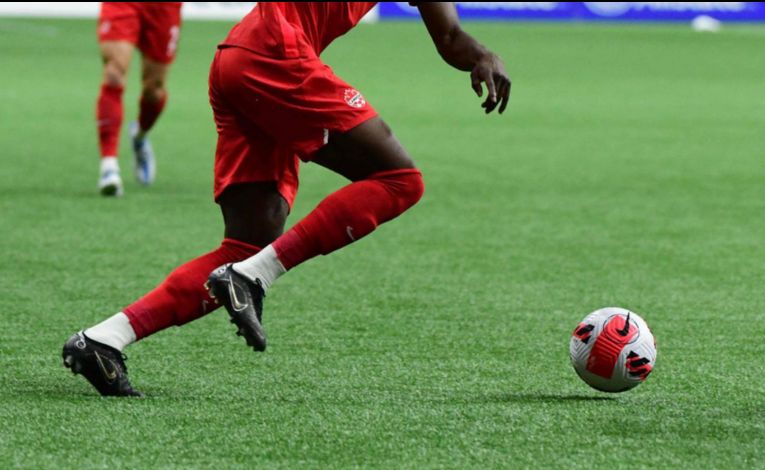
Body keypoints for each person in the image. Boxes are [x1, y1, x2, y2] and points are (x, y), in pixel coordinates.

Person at [63, 2, 510, 396]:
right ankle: (254, 277)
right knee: (400, 180)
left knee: (245, 247)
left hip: (241, 58)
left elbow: (449, 36)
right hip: (276, 54)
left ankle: (103, 340)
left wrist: (483, 56)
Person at [95, 2, 183, 196]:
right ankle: (109, 166)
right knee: (113, 75)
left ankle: (140, 136)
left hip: (164, 8)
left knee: (154, 90)